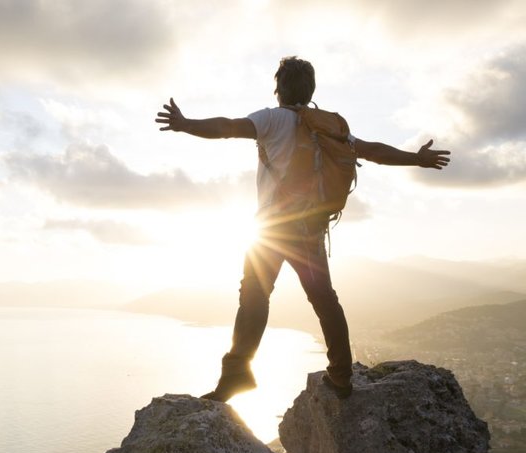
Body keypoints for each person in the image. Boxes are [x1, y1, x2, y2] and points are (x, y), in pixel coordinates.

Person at [155, 56, 450, 401]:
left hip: (272, 229)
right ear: (310, 91)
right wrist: (416, 158)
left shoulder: (273, 119)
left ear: (279, 89)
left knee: (253, 296)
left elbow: (227, 127)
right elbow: (372, 151)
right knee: (325, 300)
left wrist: (185, 123)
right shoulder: (328, 126)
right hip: (310, 227)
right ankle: (341, 376)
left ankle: (236, 375)